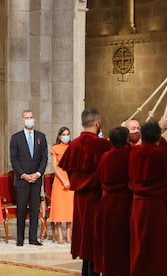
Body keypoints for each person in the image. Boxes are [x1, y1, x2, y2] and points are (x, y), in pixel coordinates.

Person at [129, 121, 167, 276]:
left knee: (141, 243)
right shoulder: (162, 154)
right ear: (157, 138)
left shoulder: (134, 152)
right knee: (160, 244)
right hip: (157, 207)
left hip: (138, 207)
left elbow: (155, 144)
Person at [59, 108, 111, 276]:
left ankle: (86, 272)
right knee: (94, 238)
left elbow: (67, 169)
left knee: (84, 237)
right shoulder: (103, 145)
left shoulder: (73, 144)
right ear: (98, 123)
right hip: (97, 198)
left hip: (79, 198)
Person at [94, 126, 131, 276]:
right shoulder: (129, 155)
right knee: (123, 242)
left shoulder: (105, 156)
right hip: (125, 203)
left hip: (107, 204)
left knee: (108, 241)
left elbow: (99, 176)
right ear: (127, 140)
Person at [10, 109, 48, 246]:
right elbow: (14, 160)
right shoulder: (16, 138)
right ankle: (20, 239)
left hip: (36, 180)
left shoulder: (41, 137)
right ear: (22, 120)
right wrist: (24, 175)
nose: (29, 119)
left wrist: (38, 174)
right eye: (27, 117)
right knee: (21, 210)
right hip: (22, 180)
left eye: (31, 117)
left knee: (34, 210)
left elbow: (44, 158)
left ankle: (33, 238)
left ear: (34, 119)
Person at [49, 126, 74, 244]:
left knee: (69, 208)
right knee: (59, 207)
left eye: (67, 134)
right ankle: (59, 234)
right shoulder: (55, 148)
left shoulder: (72, 147)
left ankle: (68, 234)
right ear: (59, 136)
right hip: (59, 180)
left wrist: (70, 179)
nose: (66, 136)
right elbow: (54, 166)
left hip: (70, 179)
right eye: (63, 134)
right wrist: (63, 180)